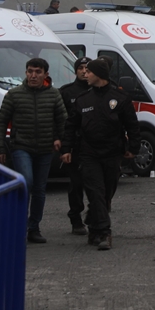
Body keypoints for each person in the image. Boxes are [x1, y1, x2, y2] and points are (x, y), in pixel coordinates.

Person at [59, 58, 138, 250]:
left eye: (90, 71)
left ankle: (94, 225)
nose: (86, 74)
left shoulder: (120, 98)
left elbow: (132, 125)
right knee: (96, 191)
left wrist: (133, 148)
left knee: (107, 193)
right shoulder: (83, 99)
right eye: (84, 71)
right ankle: (104, 232)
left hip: (112, 152)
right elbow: (70, 126)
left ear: (100, 75)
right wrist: (66, 149)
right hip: (89, 154)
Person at [0, 58, 67, 244]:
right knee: (26, 181)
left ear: (45, 74)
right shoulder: (14, 94)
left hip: (45, 148)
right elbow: (1, 122)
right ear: (25, 73)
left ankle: (34, 227)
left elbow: (63, 120)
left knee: (40, 189)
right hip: (21, 146)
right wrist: (0, 147)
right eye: (30, 71)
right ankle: (19, 224)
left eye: (37, 72)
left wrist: (60, 140)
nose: (33, 75)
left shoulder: (54, 95)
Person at [59, 57, 93, 234]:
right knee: (76, 184)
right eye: (80, 67)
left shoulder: (99, 90)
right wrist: (65, 146)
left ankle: (95, 216)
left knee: (97, 184)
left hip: (94, 145)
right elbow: (63, 121)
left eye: (87, 68)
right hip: (75, 144)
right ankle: (76, 218)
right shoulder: (67, 92)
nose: (84, 71)